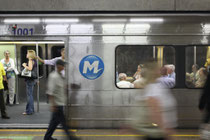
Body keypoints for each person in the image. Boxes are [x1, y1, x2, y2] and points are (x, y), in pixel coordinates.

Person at [134, 61, 177, 140]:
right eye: (157, 69)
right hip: (157, 133)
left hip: (157, 132)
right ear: (153, 72)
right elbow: (155, 111)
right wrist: (167, 131)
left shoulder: (155, 86)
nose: (160, 70)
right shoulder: (153, 88)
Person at [44, 60, 79, 140]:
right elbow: (50, 92)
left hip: (60, 104)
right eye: (62, 65)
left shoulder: (60, 76)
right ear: (58, 66)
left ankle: (47, 138)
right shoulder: (53, 76)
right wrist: (53, 105)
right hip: (57, 105)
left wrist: (72, 86)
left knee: (54, 123)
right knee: (63, 124)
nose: (64, 67)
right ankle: (72, 138)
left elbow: (64, 86)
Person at [22, 50, 37, 115]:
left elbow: (30, 68)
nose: (26, 54)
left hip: (29, 80)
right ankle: (31, 109)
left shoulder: (30, 60)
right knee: (30, 95)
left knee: (29, 96)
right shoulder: (34, 61)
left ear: (30, 54)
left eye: (27, 53)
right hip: (32, 80)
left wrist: (24, 65)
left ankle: (29, 111)